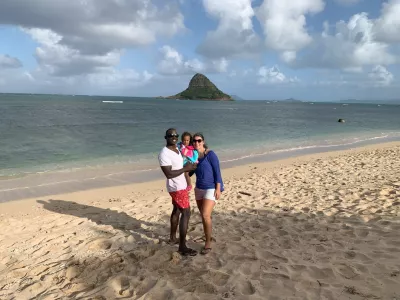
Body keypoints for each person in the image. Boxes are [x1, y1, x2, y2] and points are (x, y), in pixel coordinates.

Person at [158, 128, 198, 256]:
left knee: (176, 210)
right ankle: (182, 246)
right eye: (171, 135)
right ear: (166, 137)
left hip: (181, 185)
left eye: (176, 135)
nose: (174, 137)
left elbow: (182, 166)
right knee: (186, 212)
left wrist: (189, 169)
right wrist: (185, 168)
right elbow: (169, 174)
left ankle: (172, 238)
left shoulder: (177, 150)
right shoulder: (164, 153)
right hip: (176, 187)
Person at [191, 133, 223, 255]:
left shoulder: (210, 154)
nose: (196, 143)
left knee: (205, 215)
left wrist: (218, 188)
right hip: (198, 189)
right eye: (194, 141)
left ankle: (208, 242)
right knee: (205, 216)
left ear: (203, 142)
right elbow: (190, 173)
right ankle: (207, 235)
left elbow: (217, 172)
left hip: (211, 188)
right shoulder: (194, 157)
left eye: (199, 141)